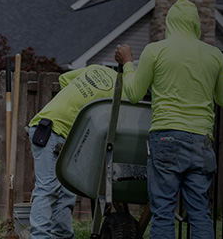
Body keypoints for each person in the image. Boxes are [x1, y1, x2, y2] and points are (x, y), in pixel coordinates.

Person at [113, 0, 223, 237]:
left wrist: (127, 63)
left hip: (166, 139)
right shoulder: (215, 55)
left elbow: (134, 94)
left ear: (170, 24)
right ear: (196, 25)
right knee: (200, 212)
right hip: (201, 142)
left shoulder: (155, 51)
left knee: (163, 211)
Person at [26, 64, 145, 238]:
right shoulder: (126, 93)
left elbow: (64, 79)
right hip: (52, 131)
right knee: (48, 189)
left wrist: (74, 104)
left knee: (67, 192)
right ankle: (40, 236)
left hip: (56, 129)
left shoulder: (96, 68)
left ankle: (63, 236)